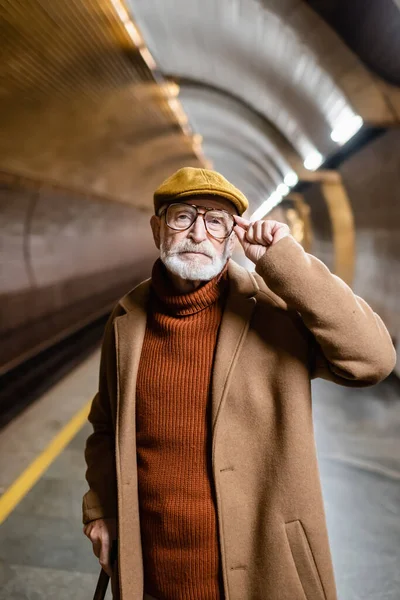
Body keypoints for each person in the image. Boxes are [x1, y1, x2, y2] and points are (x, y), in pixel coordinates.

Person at [82, 167, 396, 600]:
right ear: (158, 228)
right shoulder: (126, 320)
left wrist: (285, 262)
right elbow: (104, 426)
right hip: (150, 571)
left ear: (232, 238)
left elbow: (372, 360)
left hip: (259, 570)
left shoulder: (274, 312)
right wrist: (100, 509)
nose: (197, 233)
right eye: (182, 217)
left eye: (215, 221)